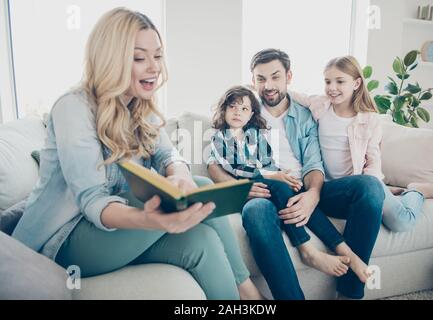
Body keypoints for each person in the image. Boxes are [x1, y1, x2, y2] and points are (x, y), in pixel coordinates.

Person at [12, 7, 263, 300]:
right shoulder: (73, 107)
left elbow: (170, 157)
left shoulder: (141, 107)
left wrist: (179, 176)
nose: (154, 67)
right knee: (205, 186)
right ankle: (253, 295)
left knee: (202, 240)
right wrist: (152, 220)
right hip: (64, 239)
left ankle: (246, 298)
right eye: (139, 58)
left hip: (112, 231)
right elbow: (93, 200)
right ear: (111, 60)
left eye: (157, 56)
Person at [208, 49, 385, 300]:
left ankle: (348, 293)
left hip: (304, 187)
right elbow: (213, 163)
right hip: (265, 191)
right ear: (252, 80)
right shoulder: (244, 110)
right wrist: (241, 189)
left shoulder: (305, 114)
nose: (268, 85)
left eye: (275, 77)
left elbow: (314, 163)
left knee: (370, 188)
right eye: (260, 78)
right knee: (256, 212)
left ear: (289, 76)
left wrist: (313, 194)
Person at [208, 85, 368, 279]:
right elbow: (236, 167)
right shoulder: (219, 137)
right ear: (223, 109)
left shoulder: (256, 134)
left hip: (270, 182)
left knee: (297, 193)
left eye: (244, 109)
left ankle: (343, 249)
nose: (237, 112)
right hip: (249, 186)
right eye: (232, 107)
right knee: (281, 185)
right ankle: (307, 249)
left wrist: (281, 174)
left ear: (251, 114)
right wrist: (270, 176)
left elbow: (268, 161)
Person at [289, 55, 433, 233]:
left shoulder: (368, 119)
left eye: (340, 81)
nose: (332, 88)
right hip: (333, 187)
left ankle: (417, 191)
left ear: (356, 83)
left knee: (402, 222)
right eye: (328, 82)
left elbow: (373, 160)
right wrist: (257, 88)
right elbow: (295, 96)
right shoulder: (320, 105)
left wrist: (373, 191)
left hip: (362, 184)